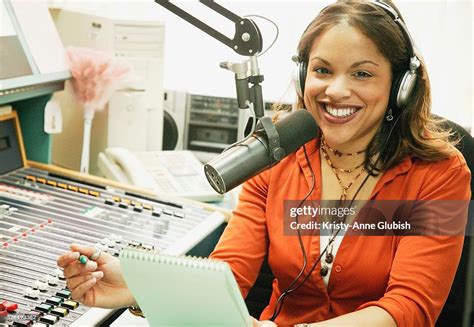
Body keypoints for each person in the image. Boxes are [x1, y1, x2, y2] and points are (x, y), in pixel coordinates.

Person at [57, 0, 471, 326]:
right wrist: (138, 288)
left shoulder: (441, 175)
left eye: (362, 74)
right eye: (323, 70)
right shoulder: (278, 154)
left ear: (401, 86)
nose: (336, 90)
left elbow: (410, 308)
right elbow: (228, 275)